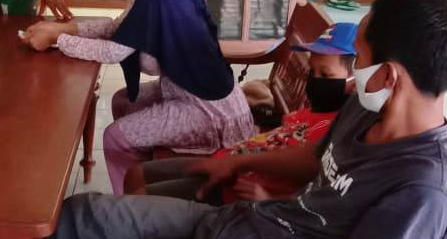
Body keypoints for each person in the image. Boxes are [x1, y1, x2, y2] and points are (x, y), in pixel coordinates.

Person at [52, 0, 447, 239]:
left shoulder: (421, 192)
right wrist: (236, 163)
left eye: (358, 57)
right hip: (240, 221)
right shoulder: (366, 107)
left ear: (389, 76)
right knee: (83, 214)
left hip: (248, 225)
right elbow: (315, 156)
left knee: (89, 219)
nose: (354, 71)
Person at [23, 0, 256, 195]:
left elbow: (114, 52)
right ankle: (148, 178)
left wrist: (57, 40)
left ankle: (131, 202)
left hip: (211, 113)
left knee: (115, 137)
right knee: (123, 101)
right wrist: (64, 29)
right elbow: (118, 28)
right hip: (186, 91)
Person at [124, 23, 358, 206]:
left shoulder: (341, 129)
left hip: (237, 191)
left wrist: (271, 201)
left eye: (326, 75)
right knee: (136, 175)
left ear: (355, 80)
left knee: (137, 204)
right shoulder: (314, 110)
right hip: (225, 163)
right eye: (312, 72)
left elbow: (325, 194)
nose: (315, 81)